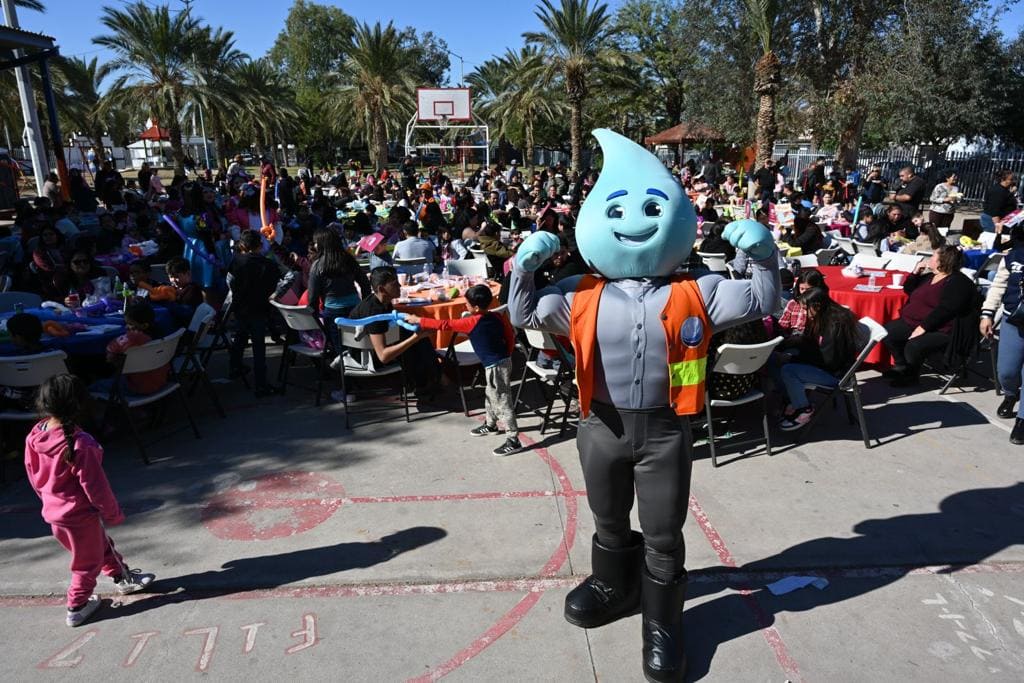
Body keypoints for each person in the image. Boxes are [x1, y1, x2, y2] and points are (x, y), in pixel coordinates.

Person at [510, 130, 780, 682]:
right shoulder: (578, 293)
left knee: (663, 531)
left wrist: (764, 256)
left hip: (664, 427)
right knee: (607, 515)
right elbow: (524, 315)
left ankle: (663, 623)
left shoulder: (696, 290)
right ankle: (614, 583)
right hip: (599, 423)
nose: (636, 221)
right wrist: (523, 268)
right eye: (618, 208)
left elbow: (762, 298)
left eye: (654, 207)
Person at [24, 374, 155, 626]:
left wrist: (46, 498)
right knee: (87, 563)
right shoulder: (81, 444)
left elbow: (33, 473)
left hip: (55, 513)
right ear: (81, 404)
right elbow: (96, 487)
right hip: (79, 515)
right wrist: (113, 513)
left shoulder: (35, 434)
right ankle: (77, 605)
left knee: (99, 545)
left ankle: (120, 575)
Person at [403, 285, 521, 455]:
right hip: (500, 362)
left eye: (467, 303)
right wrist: (507, 354)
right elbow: (510, 335)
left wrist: (418, 320)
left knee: (502, 401)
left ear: (476, 307)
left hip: (496, 366)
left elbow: (444, 324)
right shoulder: (497, 315)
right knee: (490, 394)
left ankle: (513, 439)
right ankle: (490, 423)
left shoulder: (471, 322)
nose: (465, 306)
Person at [883, 246, 974, 386]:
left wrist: (923, 327)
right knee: (888, 332)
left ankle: (911, 376)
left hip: (942, 328)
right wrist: (915, 273)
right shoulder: (930, 276)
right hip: (914, 322)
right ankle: (901, 365)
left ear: (941, 261)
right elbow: (909, 289)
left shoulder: (958, 282)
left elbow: (946, 309)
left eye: (932, 257)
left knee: (914, 345)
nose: (929, 259)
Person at [773, 287, 862, 430]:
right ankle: (792, 400)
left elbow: (829, 361)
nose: (804, 313)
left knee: (788, 370)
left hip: (836, 374)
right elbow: (808, 342)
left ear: (817, 306)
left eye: (805, 309)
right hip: (825, 365)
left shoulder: (834, 325)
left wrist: (794, 358)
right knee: (777, 361)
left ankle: (803, 409)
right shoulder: (822, 316)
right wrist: (786, 347)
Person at [347, 266, 440, 400]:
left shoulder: (383, 302)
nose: (400, 286)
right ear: (381, 289)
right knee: (415, 339)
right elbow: (383, 356)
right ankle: (430, 381)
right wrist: (415, 337)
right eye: (394, 283)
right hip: (365, 357)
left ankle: (429, 380)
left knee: (415, 333)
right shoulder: (374, 312)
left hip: (371, 348)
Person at [228, 230, 287, 396]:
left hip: (241, 306)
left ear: (242, 245)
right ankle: (261, 384)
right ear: (260, 245)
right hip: (259, 307)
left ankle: (235, 366)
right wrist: (276, 295)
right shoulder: (267, 263)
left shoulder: (237, 261)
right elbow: (286, 276)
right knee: (258, 346)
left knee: (240, 337)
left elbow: (230, 281)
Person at [980, 225, 1024, 442]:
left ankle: (1022, 420)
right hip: (1012, 320)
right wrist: (987, 314)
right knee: (1006, 371)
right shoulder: (1012, 257)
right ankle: (1010, 393)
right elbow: (997, 287)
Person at [307, 228, 370, 357]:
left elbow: (312, 297)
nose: (314, 245)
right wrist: (364, 305)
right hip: (355, 309)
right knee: (357, 345)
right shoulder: (348, 259)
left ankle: (343, 373)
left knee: (339, 350)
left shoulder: (318, 265)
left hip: (333, 313)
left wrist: (316, 317)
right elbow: (364, 283)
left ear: (321, 244)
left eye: (315, 242)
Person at [777, 269, 826, 337]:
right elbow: (783, 325)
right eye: (802, 289)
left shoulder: (822, 305)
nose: (804, 292)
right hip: (793, 338)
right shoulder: (793, 304)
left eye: (808, 289)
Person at [981, 169, 1019, 234]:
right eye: (1010, 179)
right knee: (992, 239)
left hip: (1002, 219)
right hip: (993, 220)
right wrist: (997, 224)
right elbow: (995, 210)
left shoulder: (1004, 190)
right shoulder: (998, 191)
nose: (1012, 181)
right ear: (1002, 179)